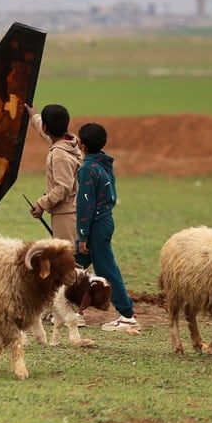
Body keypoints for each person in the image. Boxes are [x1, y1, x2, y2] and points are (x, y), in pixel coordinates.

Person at [74, 122, 139, 332]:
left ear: (81, 145)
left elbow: (85, 204)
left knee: (107, 270)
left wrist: (83, 236)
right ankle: (69, 309)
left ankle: (127, 315)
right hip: (105, 220)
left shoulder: (86, 169)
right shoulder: (104, 164)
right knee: (75, 265)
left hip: (96, 225)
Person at [25, 103, 82, 242]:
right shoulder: (69, 141)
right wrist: (34, 116)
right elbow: (46, 133)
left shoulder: (60, 155)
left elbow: (63, 188)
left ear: (46, 127)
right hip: (74, 210)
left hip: (66, 215)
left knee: (68, 259)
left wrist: (41, 204)